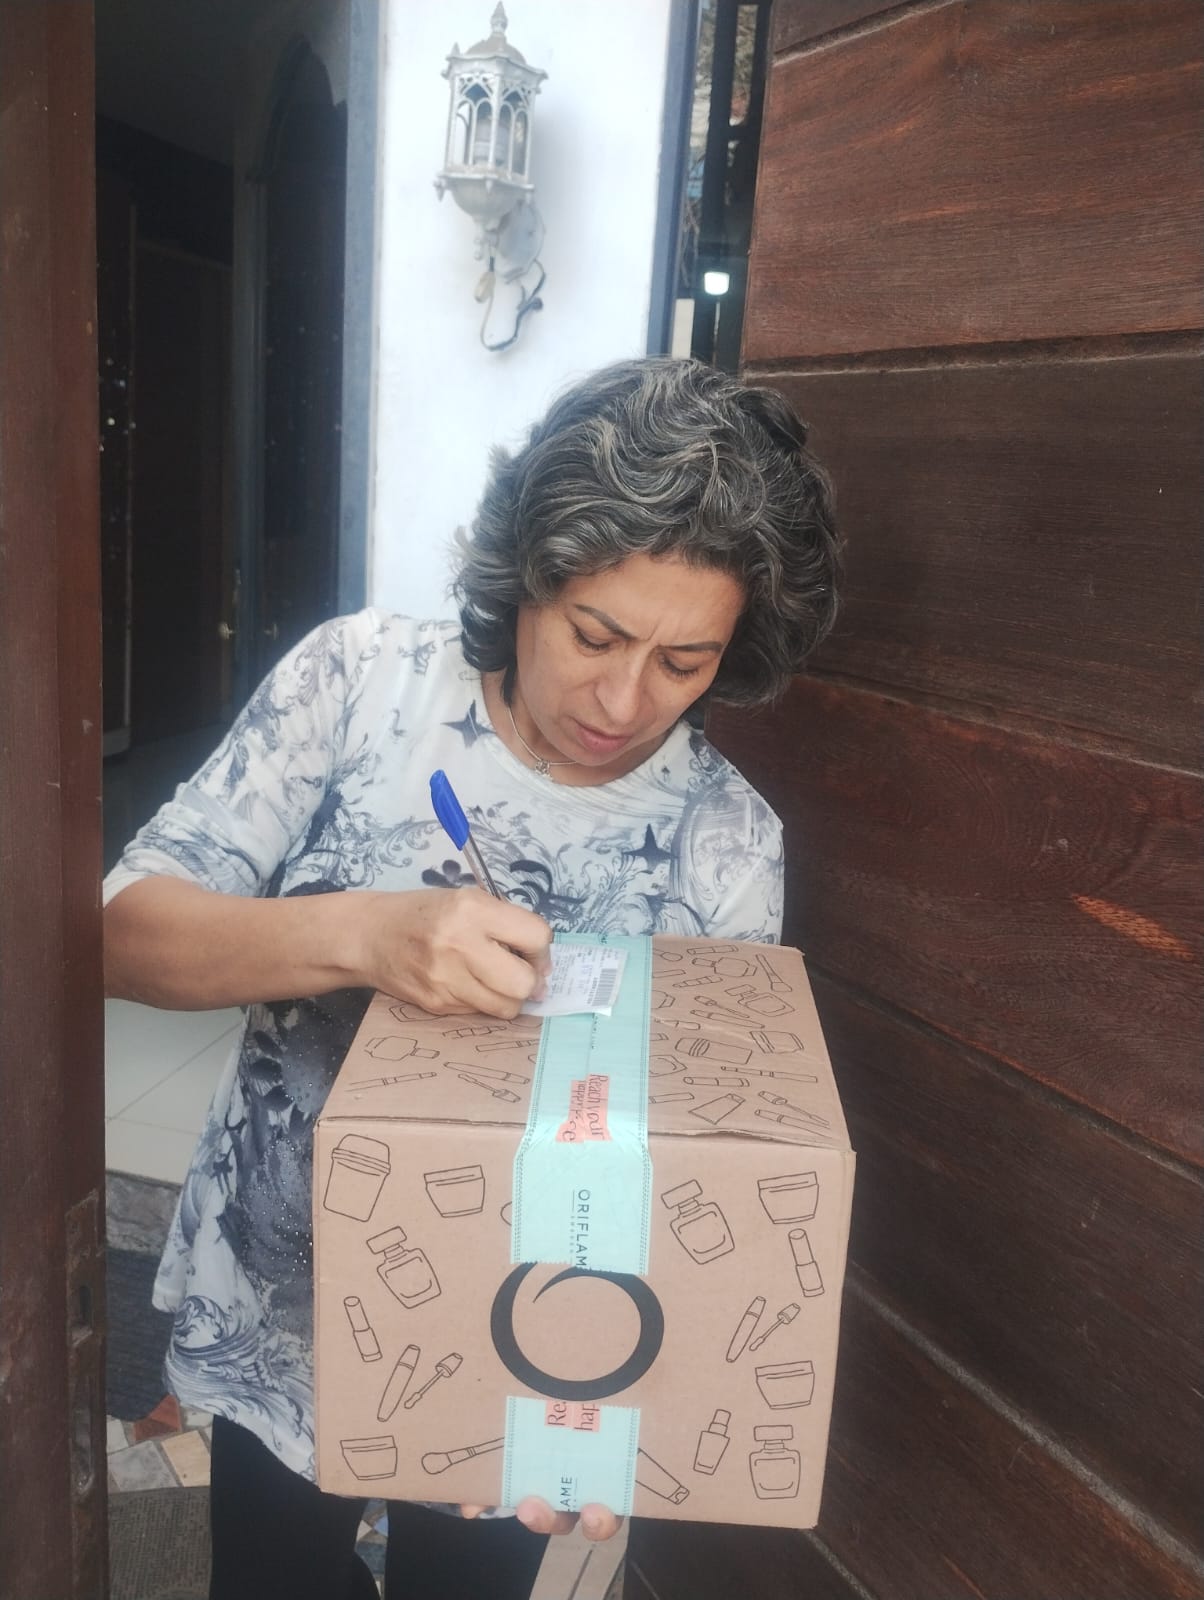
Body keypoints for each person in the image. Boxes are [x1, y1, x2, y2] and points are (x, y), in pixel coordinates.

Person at [103, 356, 840, 1600]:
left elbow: (689, 1178)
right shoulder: (360, 683)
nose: (623, 700)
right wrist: (364, 935)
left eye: (684, 661)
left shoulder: (725, 845)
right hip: (286, 1304)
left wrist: (630, 1403)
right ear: (524, 578)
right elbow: (121, 934)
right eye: (594, 634)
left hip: (527, 1348)